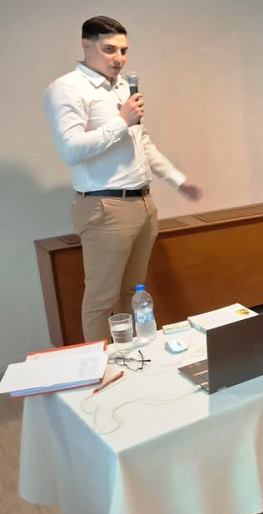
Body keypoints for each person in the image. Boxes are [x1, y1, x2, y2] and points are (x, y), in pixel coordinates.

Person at [43, 16, 203, 342]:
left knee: (134, 291)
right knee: (101, 299)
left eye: (124, 50)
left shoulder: (121, 88)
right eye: (109, 49)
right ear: (86, 45)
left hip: (143, 203)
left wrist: (177, 179)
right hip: (105, 207)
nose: (118, 58)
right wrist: (121, 121)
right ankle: (101, 366)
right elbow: (71, 150)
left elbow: (142, 143)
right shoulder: (67, 88)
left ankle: (131, 359)